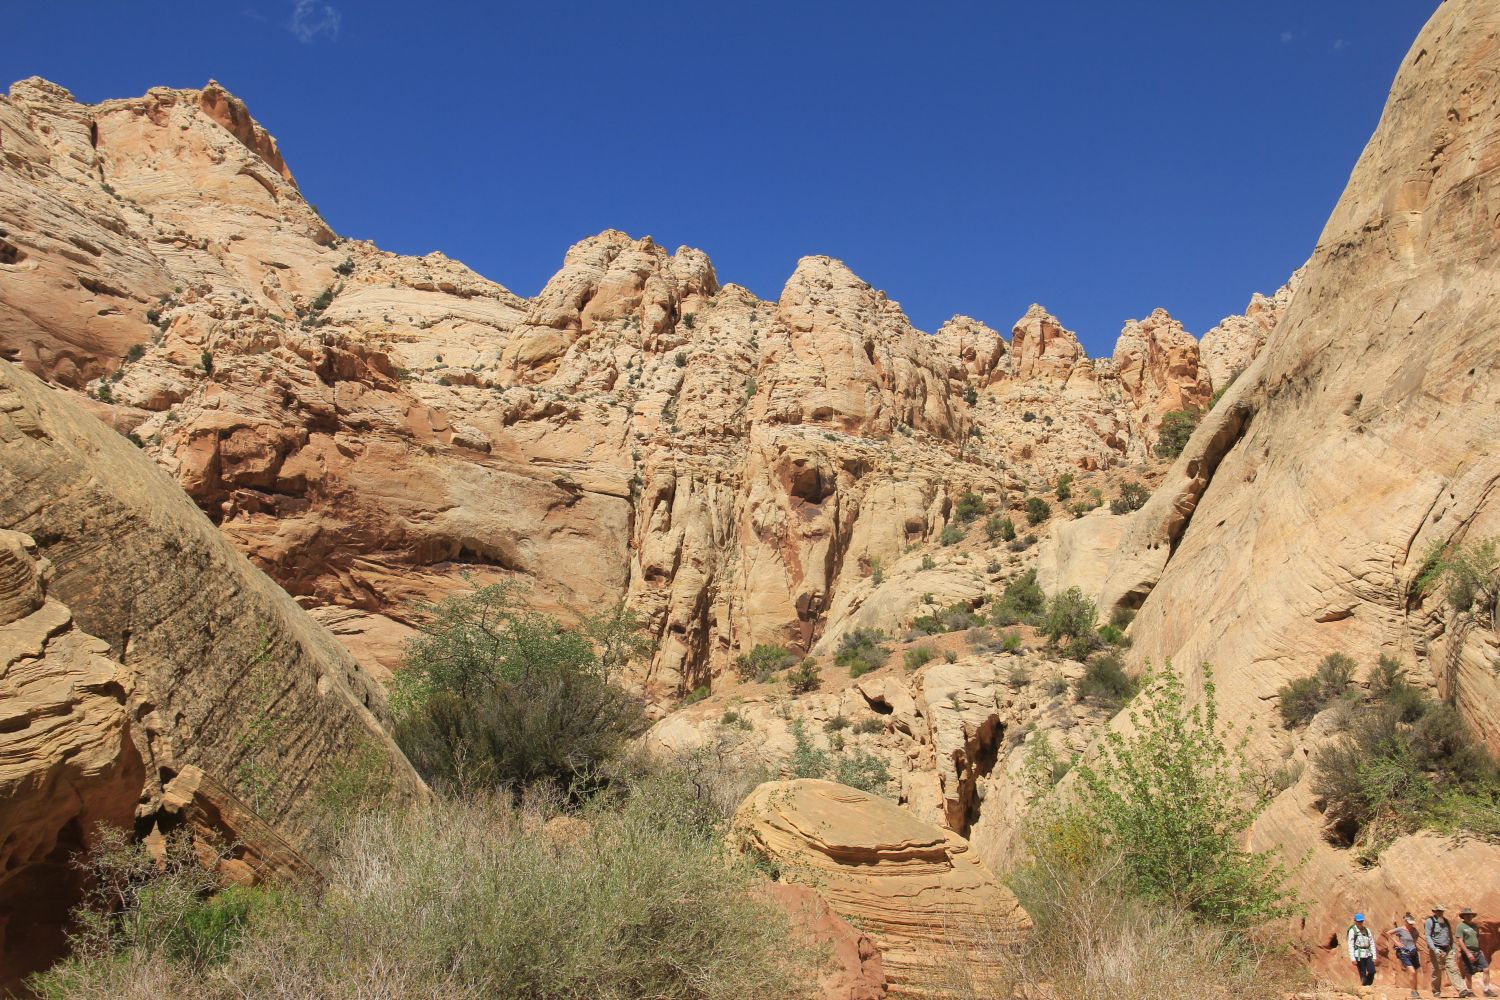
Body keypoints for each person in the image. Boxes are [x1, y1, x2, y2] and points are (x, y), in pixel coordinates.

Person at [1428, 904, 1471, 998]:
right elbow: (1428, 936)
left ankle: (1462, 990)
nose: (1440, 913)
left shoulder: (1446, 921)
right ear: (1434, 911)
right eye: (1438, 911)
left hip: (1447, 949)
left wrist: (1453, 948)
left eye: (1442, 911)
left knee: (1453, 969)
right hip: (1436, 949)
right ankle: (1436, 991)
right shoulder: (1430, 921)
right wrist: (1434, 949)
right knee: (1437, 971)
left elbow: (1450, 935)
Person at [1457, 907, 1496, 998]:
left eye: (1470, 915)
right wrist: (1467, 953)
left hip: (1477, 952)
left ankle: (1486, 990)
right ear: (1463, 916)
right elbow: (1460, 940)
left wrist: (1480, 950)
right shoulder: (1461, 926)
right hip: (1468, 952)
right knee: (1468, 973)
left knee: (1486, 969)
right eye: (1467, 915)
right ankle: (1469, 991)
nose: (1469, 916)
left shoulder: (1474, 926)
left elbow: (1477, 938)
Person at [1385, 912, 1423, 1000]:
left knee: (1415, 973)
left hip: (1413, 953)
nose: (1411, 925)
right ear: (1405, 922)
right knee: (1412, 972)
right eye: (1409, 923)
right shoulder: (1401, 929)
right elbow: (1388, 933)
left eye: (1412, 924)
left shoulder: (1414, 930)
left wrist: (1413, 945)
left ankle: (1415, 991)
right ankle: (1413, 991)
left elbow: (1416, 937)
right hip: (1404, 953)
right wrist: (1396, 942)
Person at [1349, 913, 1378, 986]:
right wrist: (1352, 958)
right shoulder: (1352, 931)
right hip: (1358, 954)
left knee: (1372, 971)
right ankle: (1365, 987)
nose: (1360, 923)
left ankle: (1367, 984)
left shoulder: (1367, 930)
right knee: (1362, 972)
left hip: (1368, 953)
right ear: (1355, 921)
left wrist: (1374, 956)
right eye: (1358, 921)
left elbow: (1371, 943)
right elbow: (1351, 945)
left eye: (1361, 921)